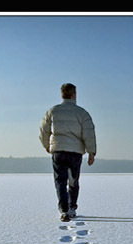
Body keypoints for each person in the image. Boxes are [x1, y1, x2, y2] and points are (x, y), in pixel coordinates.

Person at [39, 83, 97, 222]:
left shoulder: (53, 111)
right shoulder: (82, 113)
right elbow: (88, 133)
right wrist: (91, 152)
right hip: (75, 153)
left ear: (62, 94)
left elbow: (43, 130)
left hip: (58, 151)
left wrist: (46, 145)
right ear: (74, 94)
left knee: (60, 181)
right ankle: (72, 208)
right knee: (73, 181)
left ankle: (64, 210)